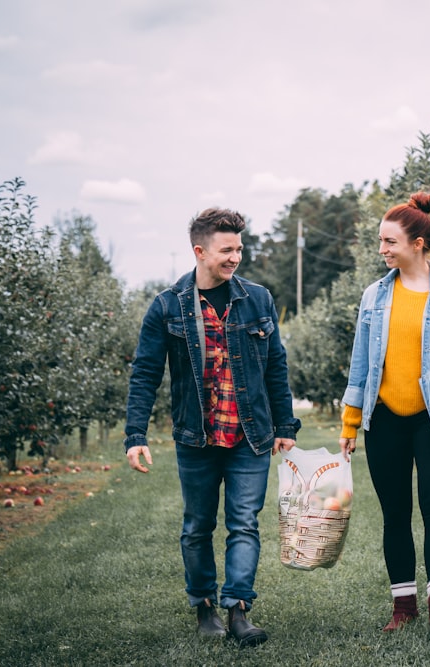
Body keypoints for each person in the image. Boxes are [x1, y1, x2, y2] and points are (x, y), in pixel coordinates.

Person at [124, 207, 300, 647]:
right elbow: (145, 372)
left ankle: (238, 609)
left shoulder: (257, 299)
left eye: (240, 248)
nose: (236, 256)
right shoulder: (167, 306)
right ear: (200, 251)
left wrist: (286, 424)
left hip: (250, 434)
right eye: (227, 249)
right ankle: (204, 606)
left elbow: (276, 365)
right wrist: (135, 435)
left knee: (244, 523)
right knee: (197, 527)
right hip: (196, 435)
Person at [338, 192, 430, 635]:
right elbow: (360, 363)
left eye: (389, 241)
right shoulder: (374, 297)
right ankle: (404, 607)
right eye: (381, 241)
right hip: (385, 420)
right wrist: (350, 420)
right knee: (395, 514)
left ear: (417, 243)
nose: (381, 249)